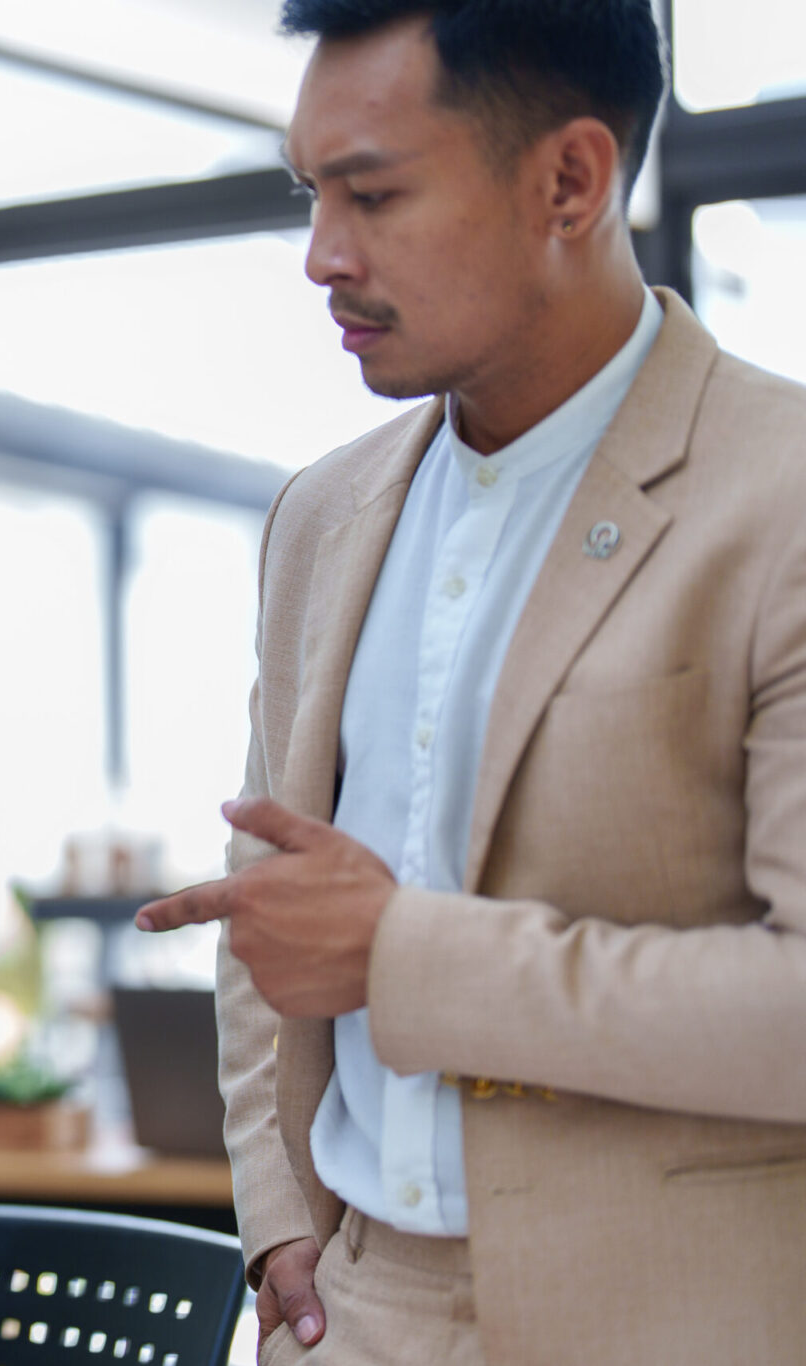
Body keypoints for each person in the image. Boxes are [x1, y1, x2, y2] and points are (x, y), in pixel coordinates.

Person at [134, 4, 806, 1364]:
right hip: (350, 1310)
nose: (323, 255)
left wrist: (398, 951)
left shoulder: (780, 496)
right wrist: (278, 1220)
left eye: (373, 193)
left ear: (570, 179)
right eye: (310, 194)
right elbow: (268, 904)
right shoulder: (320, 520)